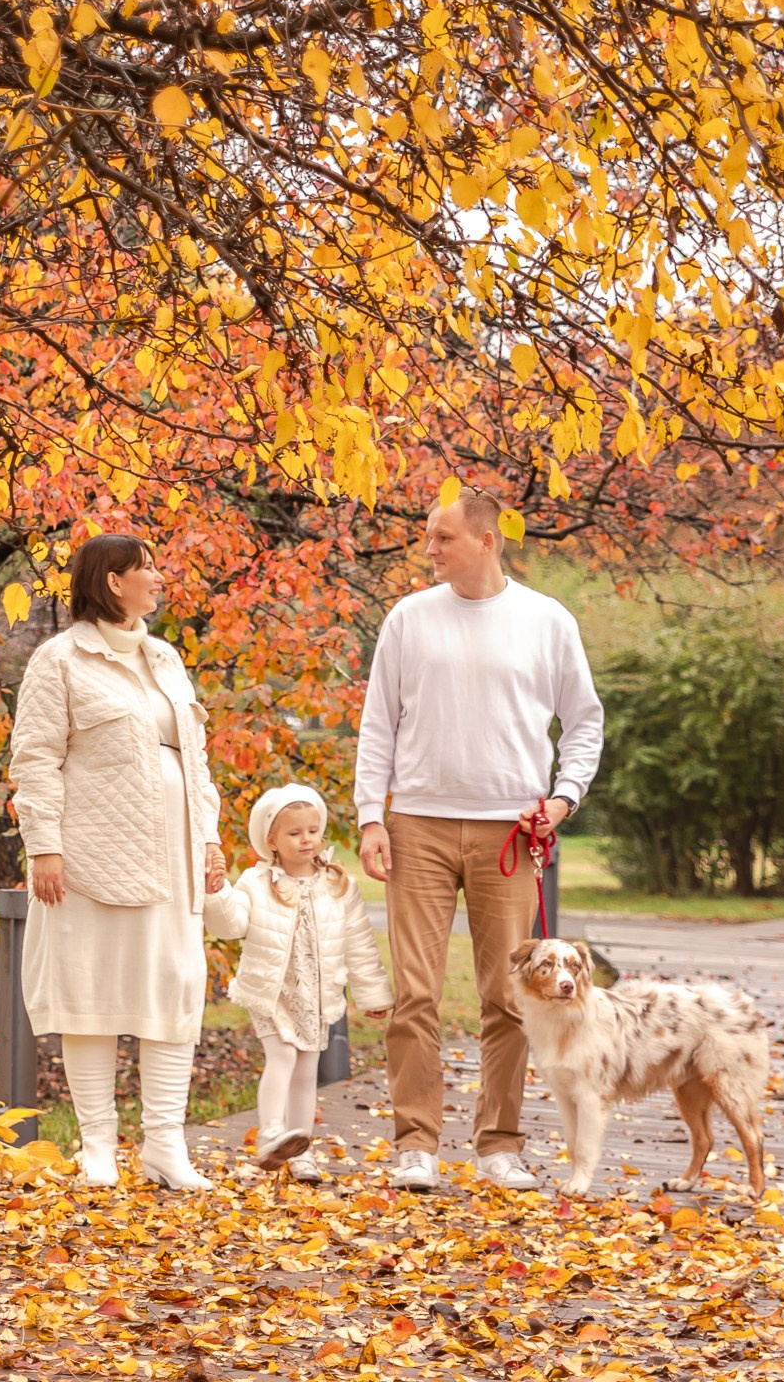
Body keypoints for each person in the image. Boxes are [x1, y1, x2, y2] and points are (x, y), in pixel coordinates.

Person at [354, 488, 605, 1194]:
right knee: (415, 994)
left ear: (487, 541)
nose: (428, 549)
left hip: (510, 830)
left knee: (508, 996)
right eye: (429, 538)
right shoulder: (408, 618)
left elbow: (584, 721)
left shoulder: (546, 621)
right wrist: (372, 815)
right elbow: (379, 725)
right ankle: (415, 1143)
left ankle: (500, 1144)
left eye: (442, 538)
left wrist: (563, 797)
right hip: (419, 826)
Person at [8, 532, 228, 1189]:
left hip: (174, 861)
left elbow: (198, 761)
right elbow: (35, 758)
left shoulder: (165, 658)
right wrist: (44, 845)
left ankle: (165, 1146)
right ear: (112, 581)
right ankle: (97, 1148)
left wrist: (210, 838)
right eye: (147, 569)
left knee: (173, 987)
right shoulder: (60, 660)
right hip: (87, 860)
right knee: (92, 993)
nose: (158, 578)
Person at [204, 784, 392, 1182]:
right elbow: (230, 926)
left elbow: (359, 940)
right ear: (271, 839)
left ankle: (301, 1148)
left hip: (316, 993)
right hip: (272, 990)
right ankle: (271, 1132)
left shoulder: (339, 884)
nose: (306, 839)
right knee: (283, 1057)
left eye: (313, 830)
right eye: (294, 833)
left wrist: (372, 992)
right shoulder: (256, 884)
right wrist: (218, 893)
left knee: (307, 1071)